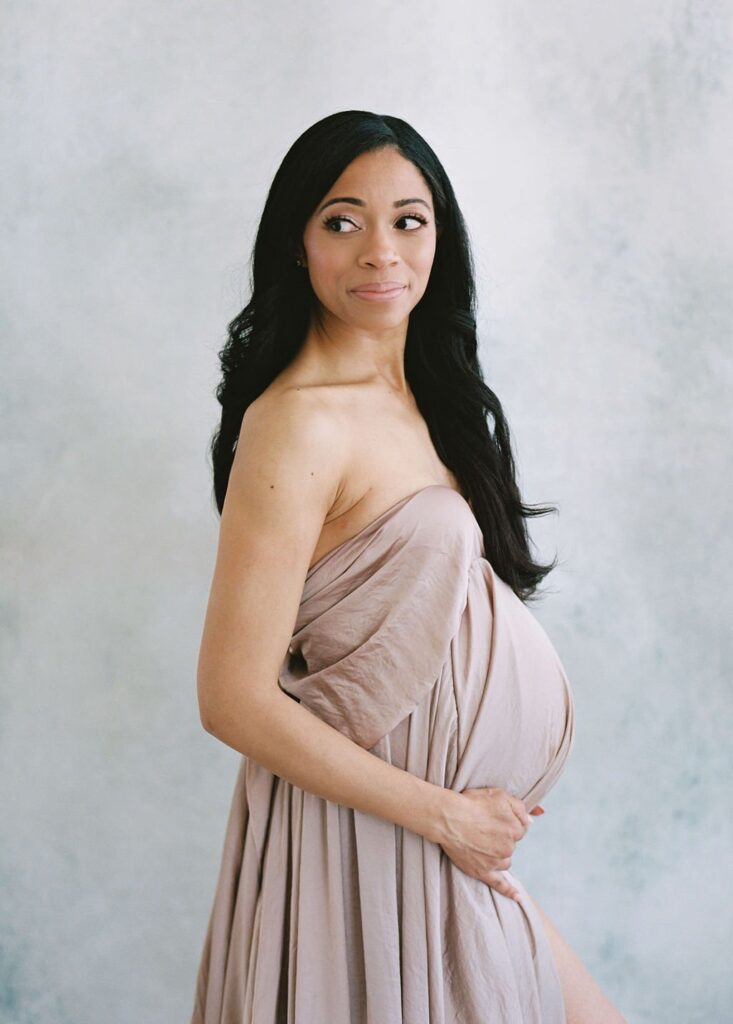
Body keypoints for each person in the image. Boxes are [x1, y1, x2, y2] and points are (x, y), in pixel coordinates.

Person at [190, 110, 627, 1023]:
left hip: (440, 847)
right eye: (341, 222)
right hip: (367, 842)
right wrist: (444, 815)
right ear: (295, 245)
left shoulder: (427, 398)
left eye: (408, 220)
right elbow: (231, 696)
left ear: (441, 237)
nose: (379, 252)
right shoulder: (297, 421)